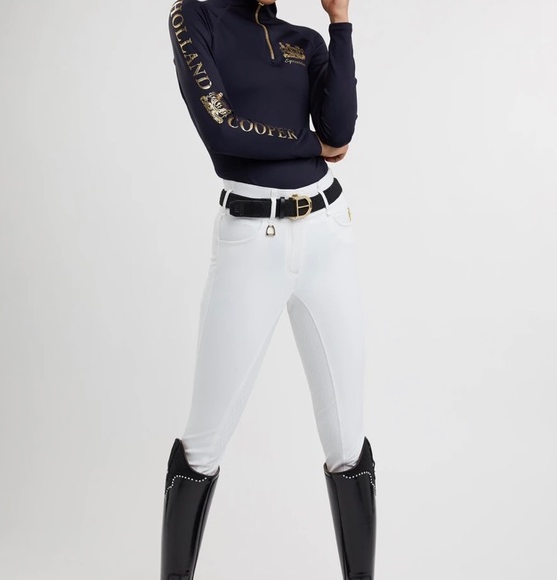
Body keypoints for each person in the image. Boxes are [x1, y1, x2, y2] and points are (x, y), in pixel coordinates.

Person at [160, 1, 377, 579]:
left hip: (328, 234)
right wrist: (311, 147)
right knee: (203, 443)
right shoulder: (195, 18)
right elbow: (221, 129)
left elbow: (340, 130)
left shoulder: (304, 40)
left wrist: (340, 21)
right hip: (252, 242)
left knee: (347, 442)